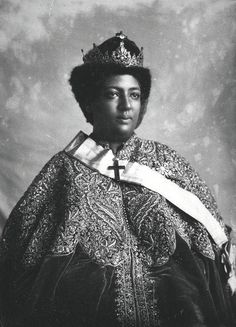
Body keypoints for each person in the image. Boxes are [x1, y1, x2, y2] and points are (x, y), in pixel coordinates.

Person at [0, 31, 235, 327]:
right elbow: (20, 247)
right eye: (113, 94)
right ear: (89, 103)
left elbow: (212, 239)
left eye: (134, 95)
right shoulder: (63, 169)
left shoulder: (168, 161)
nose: (126, 105)